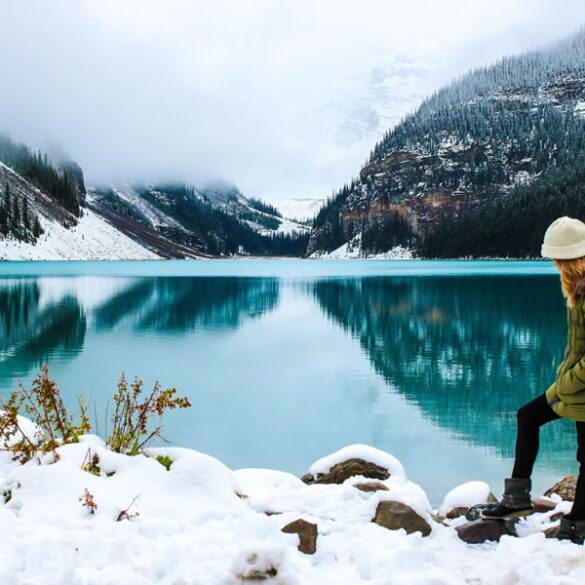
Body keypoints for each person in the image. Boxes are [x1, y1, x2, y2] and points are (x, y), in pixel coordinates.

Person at [481, 216, 585, 545]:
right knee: (528, 416)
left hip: (578, 387)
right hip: (575, 386)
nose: (555, 266)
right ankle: (517, 499)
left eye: (558, 260)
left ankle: (576, 524)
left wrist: (567, 382)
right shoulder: (579, 287)